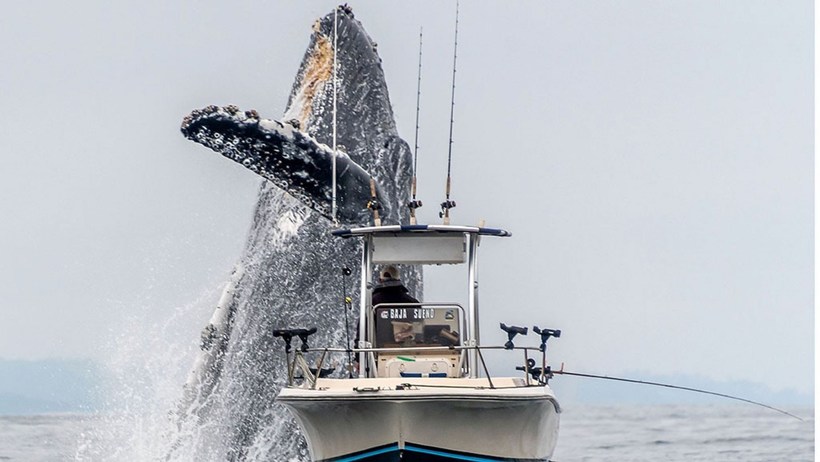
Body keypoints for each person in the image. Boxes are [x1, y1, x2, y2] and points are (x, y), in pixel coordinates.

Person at [372, 265, 420, 346]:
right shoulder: (413, 303)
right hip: (409, 348)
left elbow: (363, 327)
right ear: (399, 280)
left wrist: (358, 353)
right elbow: (420, 329)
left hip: (379, 350)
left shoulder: (373, 302)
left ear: (380, 280)